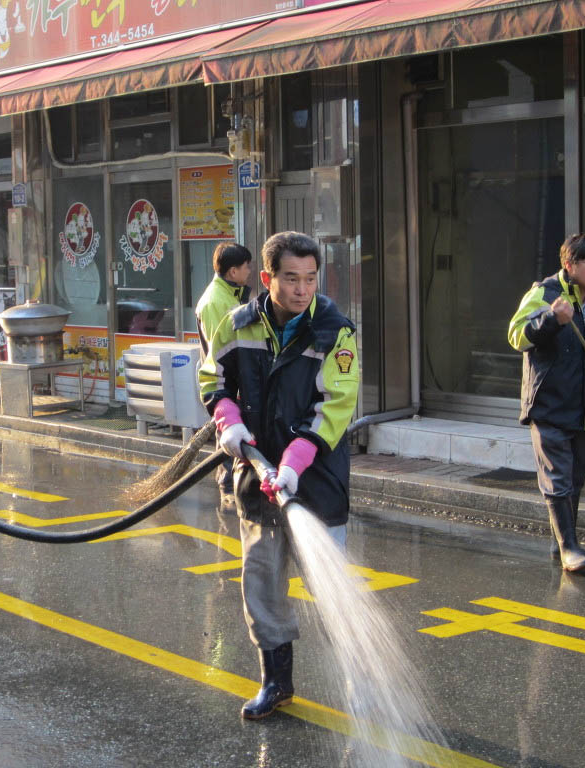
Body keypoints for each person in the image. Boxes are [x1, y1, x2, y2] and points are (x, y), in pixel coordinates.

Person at [198, 231, 359, 720]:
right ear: (267, 278)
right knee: (263, 584)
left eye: (310, 278)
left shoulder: (334, 332)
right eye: (291, 279)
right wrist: (228, 421)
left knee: (331, 591)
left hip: (316, 479)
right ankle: (276, 683)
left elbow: (336, 405)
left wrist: (293, 463)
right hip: (257, 476)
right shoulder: (237, 325)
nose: (302, 289)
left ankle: (357, 684)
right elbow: (213, 378)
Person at [508, 233, 585, 572]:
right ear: (569, 265)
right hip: (549, 403)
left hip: (583, 405)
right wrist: (551, 320)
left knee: (575, 477)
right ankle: (569, 548)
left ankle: (564, 544)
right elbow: (516, 336)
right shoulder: (545, 294)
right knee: (558, 478)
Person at [194, 242, 253, 513]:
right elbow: (221, 350)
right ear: (233, 271)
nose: (249, 271)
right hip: (226, 384)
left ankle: (234, 487)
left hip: (233, 382)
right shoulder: (215, 302)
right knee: (228, 438)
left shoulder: (228, 294)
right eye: (246, 267)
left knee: (233, 437)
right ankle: (228, 490)